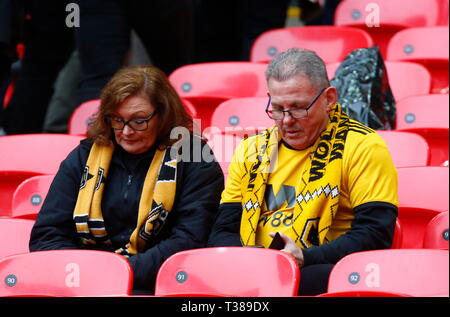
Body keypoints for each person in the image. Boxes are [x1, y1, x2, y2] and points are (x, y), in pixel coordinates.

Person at [207, 48, 398, 295]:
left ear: (329, 99)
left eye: (298, 108)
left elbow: (376, 234)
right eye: (277, 108)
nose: (286, 120)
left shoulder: (363, 145)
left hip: (319, 272)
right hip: (252, 274)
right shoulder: (250, 149)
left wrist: (303, 258)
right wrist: (249, 263)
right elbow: (223, 229)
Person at [29, 65, 224, 294]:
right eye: (117, 120)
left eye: (139, 121)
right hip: (81, 284)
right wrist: (80, 274)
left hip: (158, 286)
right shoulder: (85, 155)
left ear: (163, 115)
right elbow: (48, 234)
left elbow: (190, 241)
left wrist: (118, 273)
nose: (127, 131)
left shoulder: (194, 158)